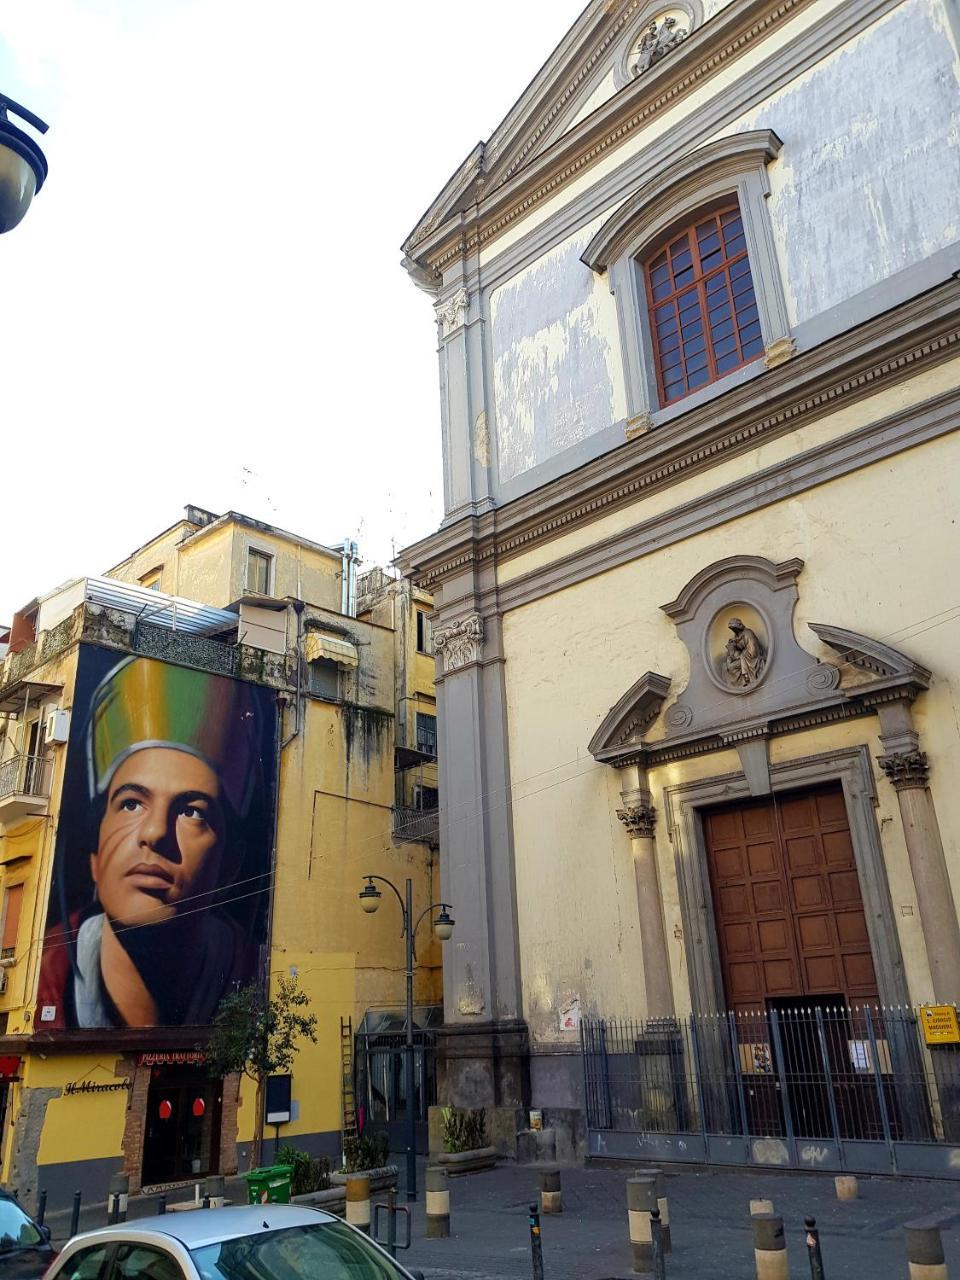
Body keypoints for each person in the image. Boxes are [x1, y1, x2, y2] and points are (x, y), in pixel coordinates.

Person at [37, 656, 268, 1029]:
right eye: (131, 803)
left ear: (230, 866)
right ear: (94, 853)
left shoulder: (260, 981)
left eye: (192, 811)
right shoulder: (49, 972)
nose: (155, 833)